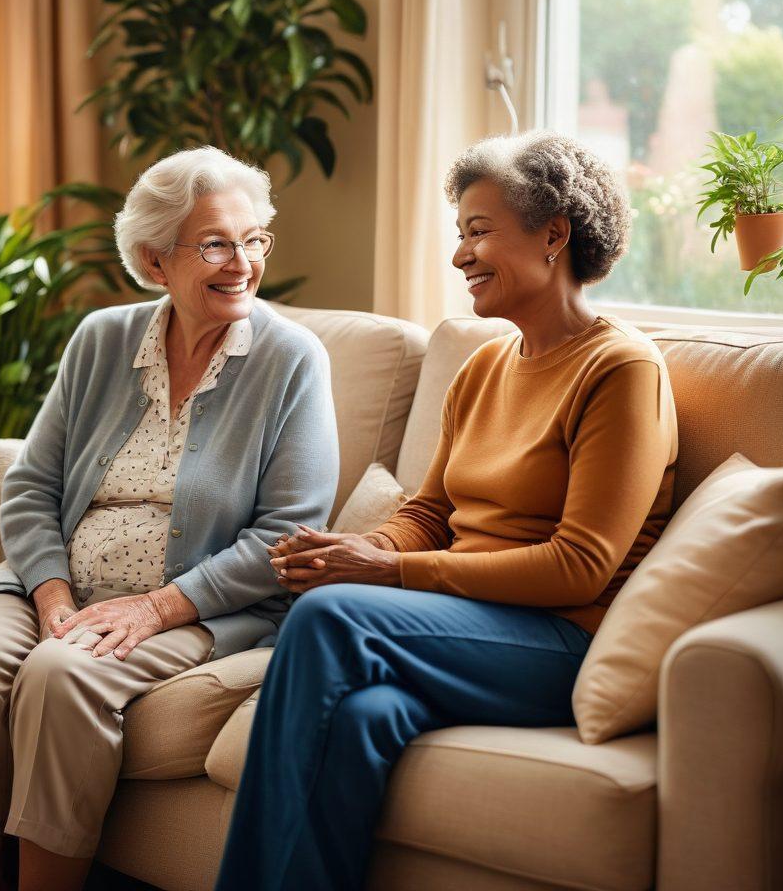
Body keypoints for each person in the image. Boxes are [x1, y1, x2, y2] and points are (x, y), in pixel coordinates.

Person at [215, 131, 679, 891]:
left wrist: (389, 572)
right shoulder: (484, 365)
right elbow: (429, 511)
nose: (460, 254)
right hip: (472, 629)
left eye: (479, 230)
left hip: (564, 640)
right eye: (459, 234)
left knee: (331, 619)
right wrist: (351, 551)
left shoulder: (619, 368)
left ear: (554, 235)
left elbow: (579, 566)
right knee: (367, 716)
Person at [0, 146, 339, 891]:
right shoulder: (103, 340)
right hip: (58, 586)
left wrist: (155, 607)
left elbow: (287, 532)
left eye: (252, 239)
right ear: (154, 263)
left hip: (198, 606)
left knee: (60, 675)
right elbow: (31, 484)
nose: (241, 261)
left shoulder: (291, 359)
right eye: (214, 243)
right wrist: (50, 592)